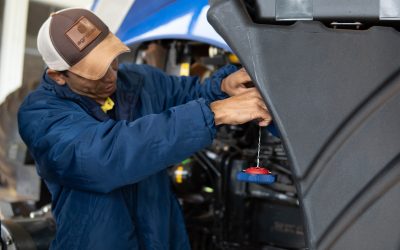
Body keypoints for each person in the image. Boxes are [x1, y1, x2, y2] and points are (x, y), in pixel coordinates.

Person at [18, 8, 271, 250]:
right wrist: (215, 112)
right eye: (95, 71)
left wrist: (223, 86)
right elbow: (104, 157)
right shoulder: (41, 115)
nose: (111, 75)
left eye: (112, 59)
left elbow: (190, 94)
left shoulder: (138, 80)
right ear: (58, 76)